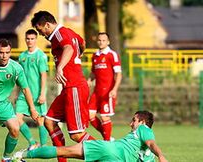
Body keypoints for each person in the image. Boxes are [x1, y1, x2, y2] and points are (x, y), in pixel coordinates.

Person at [31, 11, 95, 162]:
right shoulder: (68, 32)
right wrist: (75, 59)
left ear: (47, 24)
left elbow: (69, 48)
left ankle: (109, 154)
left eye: (40, 30)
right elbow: (82, 43)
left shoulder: (59, 33)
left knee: (76, 135)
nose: (41, 34)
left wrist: (61, 67)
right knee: (49, 121)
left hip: (75, 87)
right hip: (69, 88)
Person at [12, 110, 168, 162]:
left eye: (133, 120)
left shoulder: (144, 129)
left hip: (109, 149)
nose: (130, 124)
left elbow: (151, 143)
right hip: (116, 158)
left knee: (64, 151)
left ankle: (21, 155)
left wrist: (161, 155)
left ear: (142, 122)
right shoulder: (148, 158)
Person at [15, 29, 49, 149]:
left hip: (37, 94)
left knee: (40, 121)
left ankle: (44, 147)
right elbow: (18, 77)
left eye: (32, 39)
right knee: (17, 118)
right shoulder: (22, 56)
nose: (30, 41)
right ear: (25, 39)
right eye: (28, 39)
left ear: (36, 39)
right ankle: (32, 143)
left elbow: (44, 76)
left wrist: (42, 94)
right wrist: (16, 94)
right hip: (23, 95)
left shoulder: (41, 56)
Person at [87, 32, 122, 141]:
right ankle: (107, 137)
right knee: (89, 115)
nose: (101, 42)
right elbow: (93, 72)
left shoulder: (112, 54)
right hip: (96, 92)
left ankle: (107, 142)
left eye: (103, 40)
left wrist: (114, 89)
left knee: (104, 116)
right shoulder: (95, 55)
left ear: (108, 42)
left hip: (107, 91)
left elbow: (119, 74)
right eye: (99, 40)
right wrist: (89, 80)